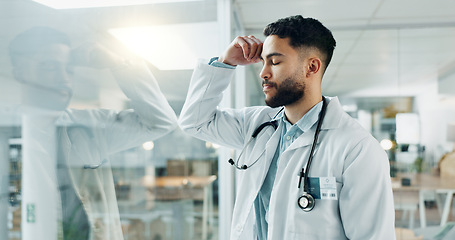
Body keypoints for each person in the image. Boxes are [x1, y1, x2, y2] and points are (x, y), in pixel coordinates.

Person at [179, 15, 395, 239]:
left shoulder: (357, 149)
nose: (263, 72)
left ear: (311, 67)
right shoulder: (256, 126)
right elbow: (195, 121)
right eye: (263, 61)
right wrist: (225, 62)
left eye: (274, 62)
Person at [8, 26, 178, 239]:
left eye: (68, 69)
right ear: (20, 71)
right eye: (50, 67)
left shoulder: (90, 126)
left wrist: (119, 64)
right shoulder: (7, 129)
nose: (64, 78)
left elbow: (161, 122)